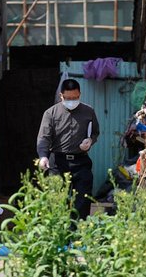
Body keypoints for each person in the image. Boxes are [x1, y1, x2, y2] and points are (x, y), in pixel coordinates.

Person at [37, 79, 100, 219]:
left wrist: (90, 141)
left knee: (83, 200)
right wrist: (43, 156)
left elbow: (95, 132)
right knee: (57, 200)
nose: (72, 101)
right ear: (61, 96)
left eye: (75, 97)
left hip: (81, 161)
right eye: (68, 98)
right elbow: (44, 137)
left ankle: (78, 233)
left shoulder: (88, 111)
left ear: (80, 94)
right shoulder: (51, 113)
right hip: (58, 163)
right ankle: (60, 233)